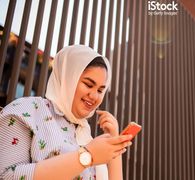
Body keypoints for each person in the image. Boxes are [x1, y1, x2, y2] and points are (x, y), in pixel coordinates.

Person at [0, 45, 132, 180]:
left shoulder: (84, 135)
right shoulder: (27, 110)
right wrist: (88, 155)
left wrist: (115, 144)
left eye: (100, 90)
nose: (94, 96)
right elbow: (6, 176)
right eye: (88, 84)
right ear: (68, 77)